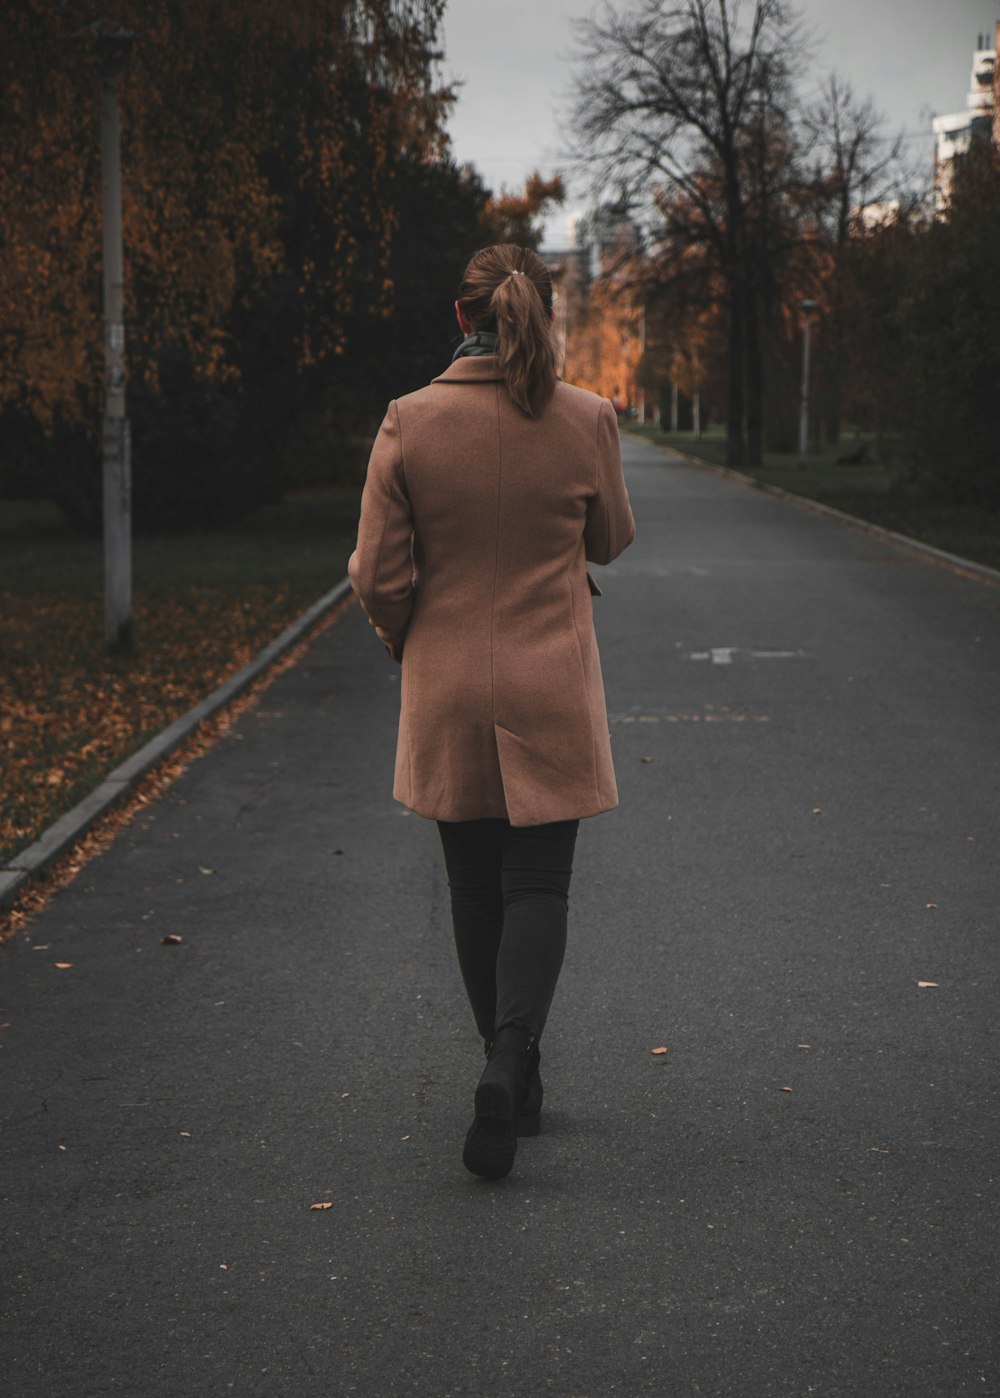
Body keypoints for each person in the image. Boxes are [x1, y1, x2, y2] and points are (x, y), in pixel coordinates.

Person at [348, 243, 635, 1180]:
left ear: (457, 315)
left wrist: (409, 640)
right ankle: (514, 1059)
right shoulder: (586, 418)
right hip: (550, 678)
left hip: (449, 684)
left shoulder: (408, 421)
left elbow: (376, 576)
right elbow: (611, 539)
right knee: (538, 887)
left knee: (474, 888)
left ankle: (506, 1065)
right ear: (543, 316)